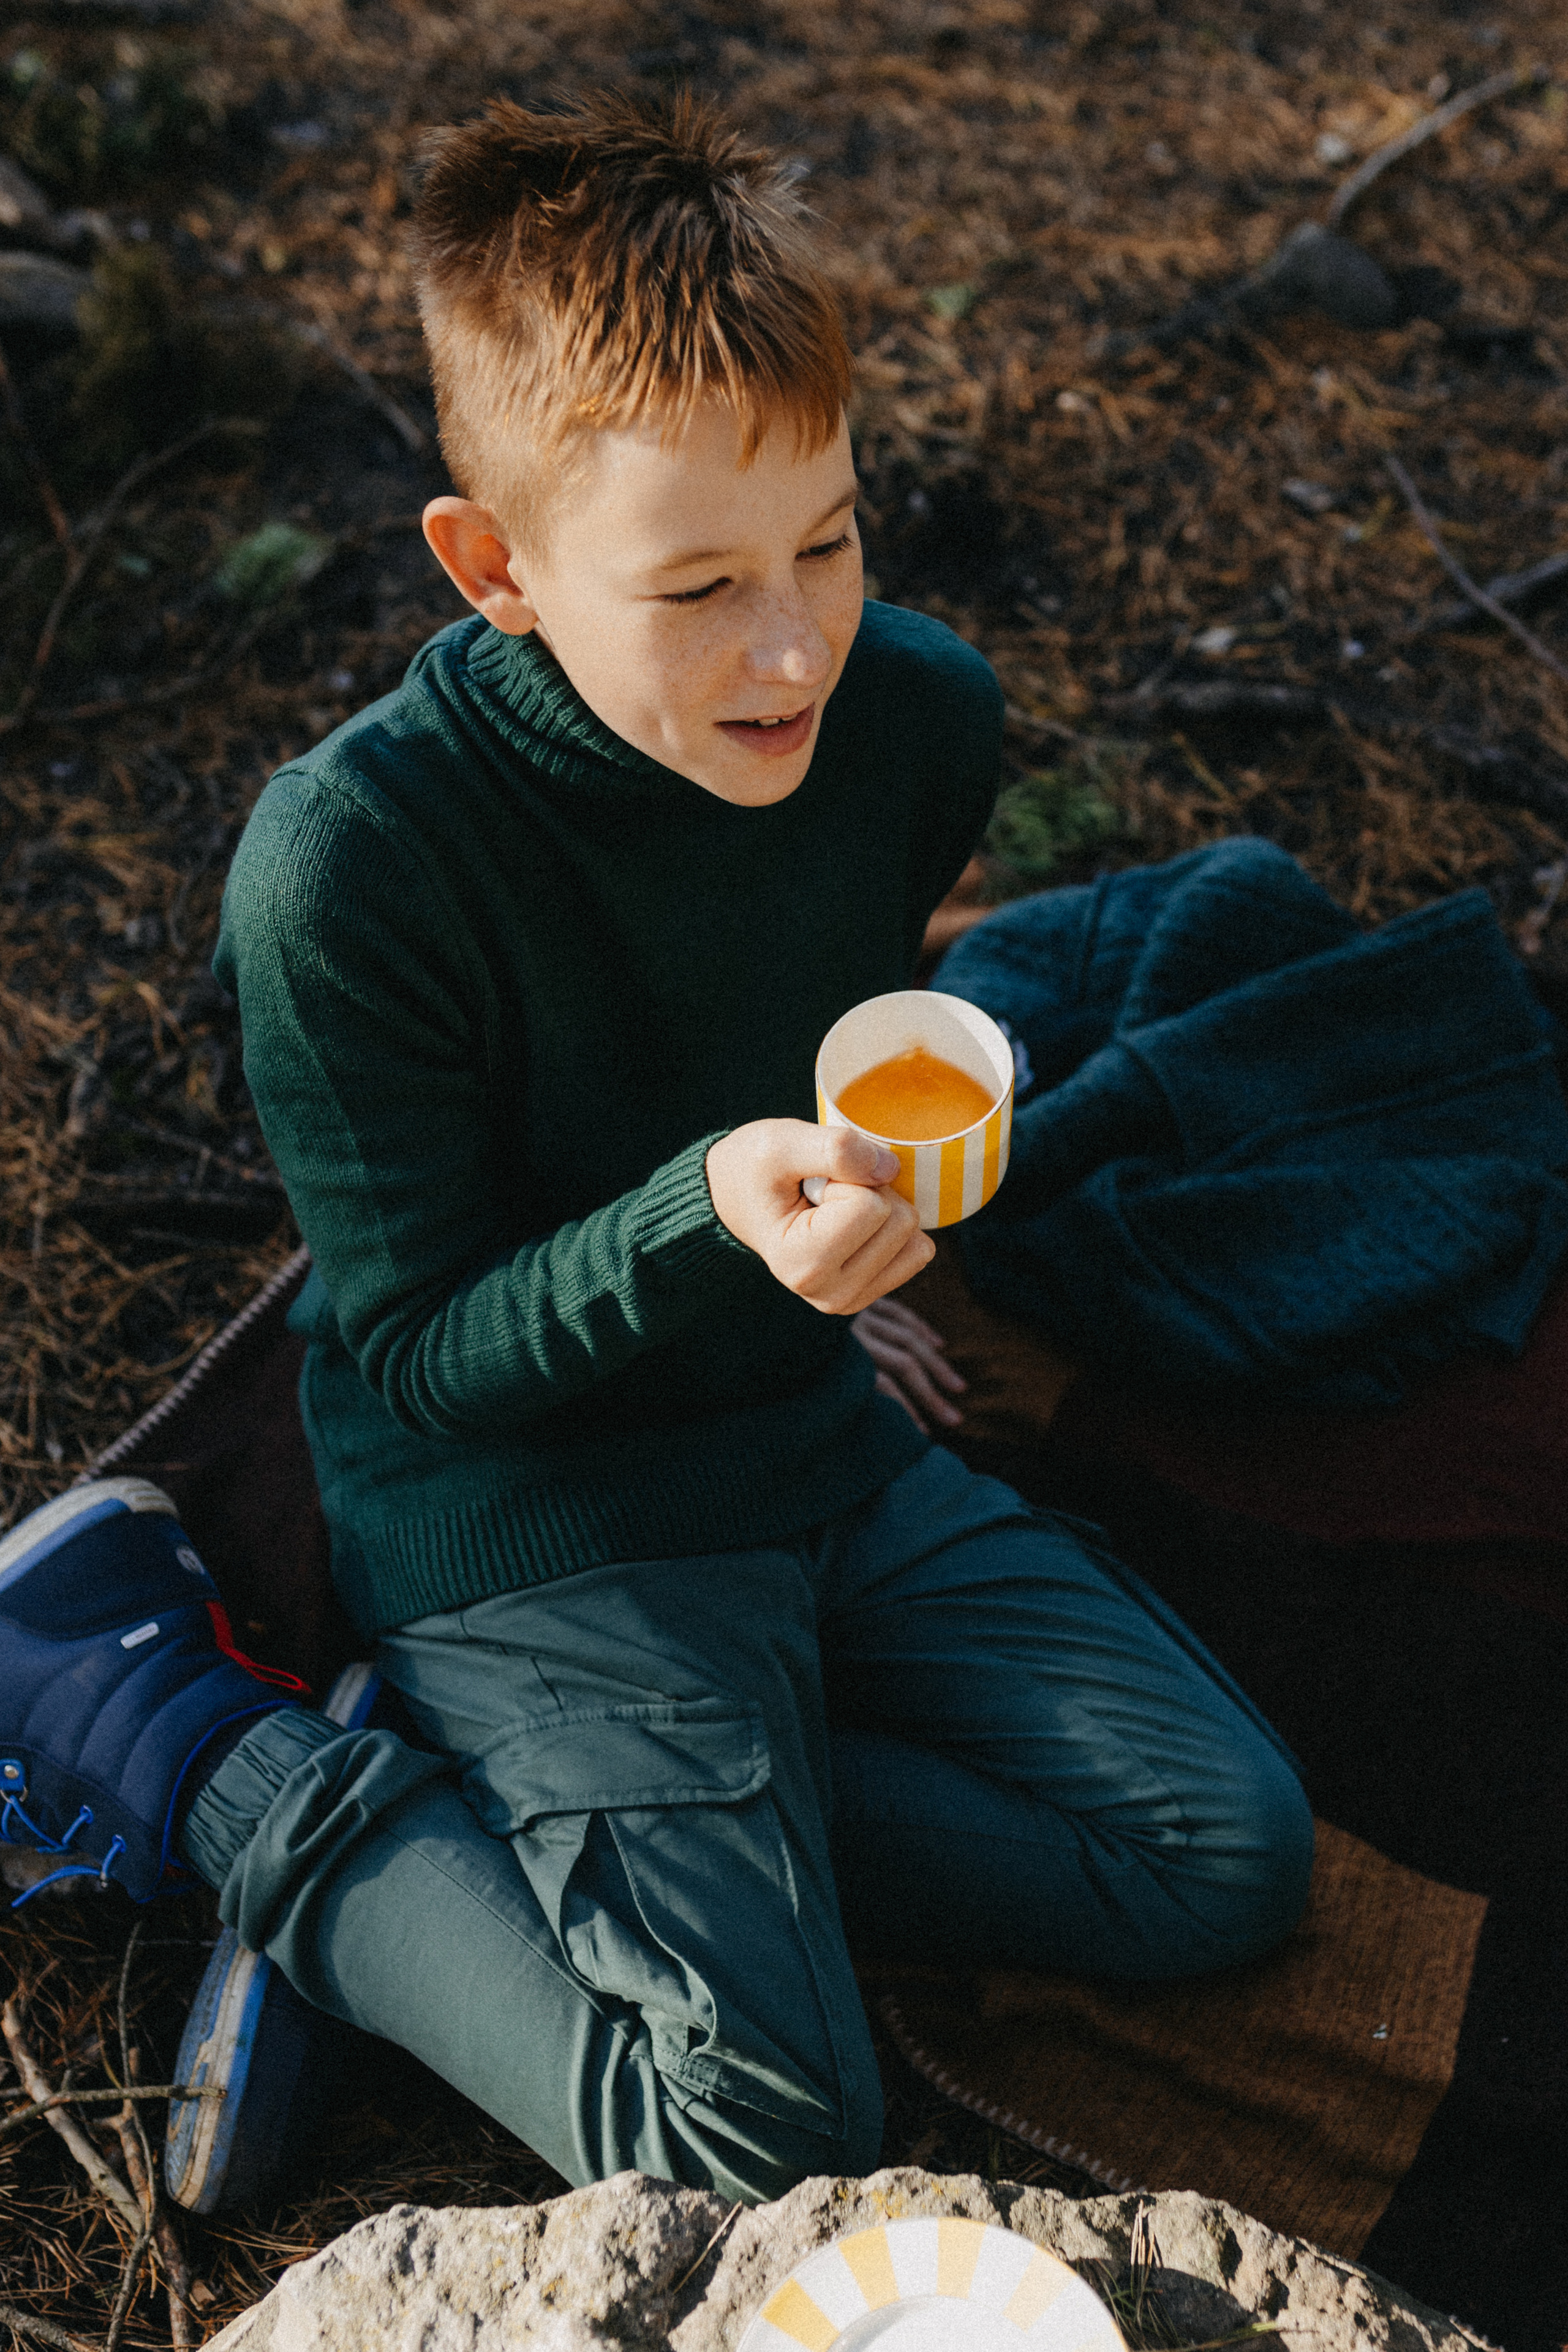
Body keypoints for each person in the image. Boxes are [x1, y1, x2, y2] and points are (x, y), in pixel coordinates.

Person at [0, 91, 1313, 2213]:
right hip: (531, 1515)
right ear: (495, 567)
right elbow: (415, 1353)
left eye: (832, 537)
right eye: (698, 584)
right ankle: (230, 1764)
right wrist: (709, 1224)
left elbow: (803, 1015)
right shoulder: (349, 871)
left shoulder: (915, 721)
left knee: (1224, 1854)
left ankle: (514, 1861)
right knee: (767, 2133)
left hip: (796, 1441)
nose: (793, 643)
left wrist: (830, 1279)